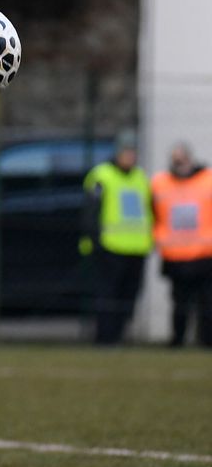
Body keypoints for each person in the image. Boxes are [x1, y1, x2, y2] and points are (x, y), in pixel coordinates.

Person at [81, 129, 154, 345]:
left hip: (137, 248)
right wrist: (92, 242)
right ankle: (105, 339)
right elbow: (91, 213)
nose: (130, 156)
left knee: (128, 298)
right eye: (126, 152)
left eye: (133, 152)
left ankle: (119, 337)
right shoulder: (102, 175)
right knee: (108, 296)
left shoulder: (140, 177)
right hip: (110, 248)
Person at [150, 142, 212, 347]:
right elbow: (152, 214)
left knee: (206, 303)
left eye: (183, 159)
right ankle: (177, 340)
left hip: (204, 254)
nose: (180, 164)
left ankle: (206, 341)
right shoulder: (161, 183)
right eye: (176, 160)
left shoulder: (207, 180)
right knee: (180, 304)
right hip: (175, 255)